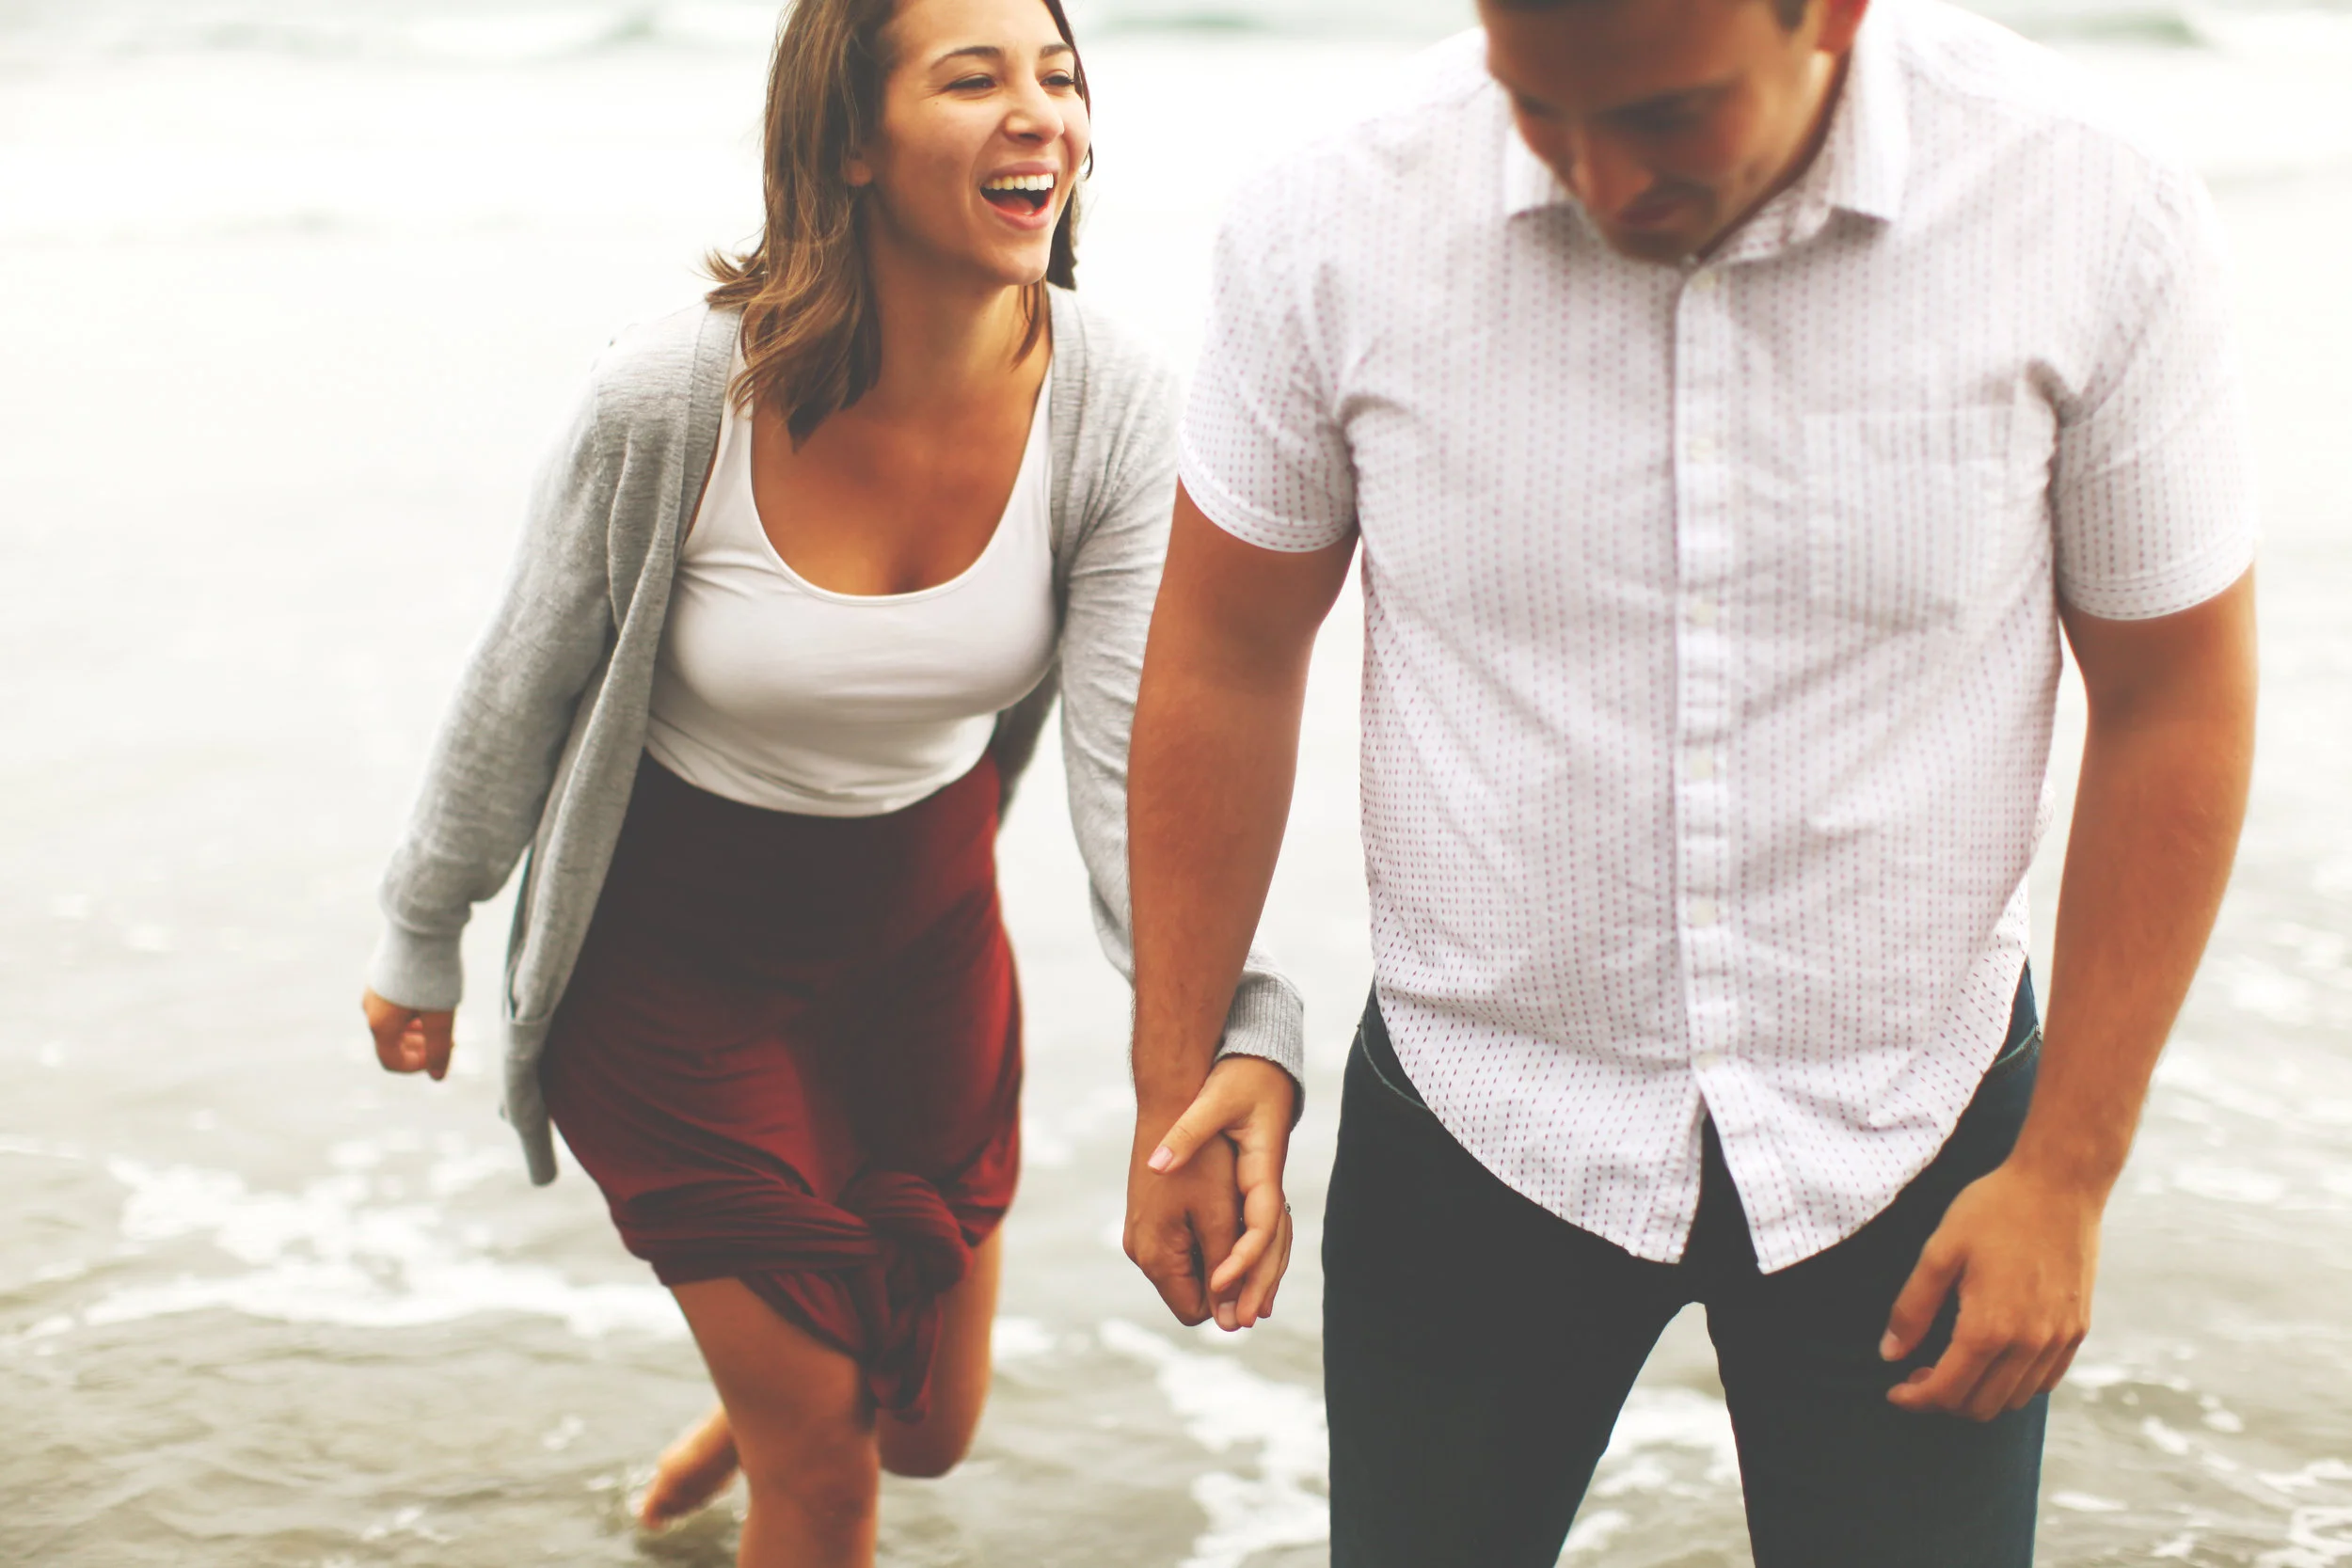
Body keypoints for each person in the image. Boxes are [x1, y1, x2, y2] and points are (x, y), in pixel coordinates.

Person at [1122, 0, 2259, 1561]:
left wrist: (2066, 1170)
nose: (1598, 177)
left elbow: (2173, 692)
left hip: (1909, 1132)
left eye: (1664, 116)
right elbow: (1226, 652)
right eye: (1538, 109)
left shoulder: (2090, 205)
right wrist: (1170, 1079)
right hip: (1484, 1110)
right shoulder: (1333, 212)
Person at [358, 0, 1301, 1561]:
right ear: (849, 141)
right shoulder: (672, 401)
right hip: (671, 961)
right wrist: (423, 922)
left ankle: (790, 1378)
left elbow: (1143, 770)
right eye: (976, 77)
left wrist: (1231, 1035)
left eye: (1061, 78)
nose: (1040, 117)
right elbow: (519, 679)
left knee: (929, 1431)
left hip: (921, 938)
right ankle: (798, 1402)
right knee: (835, 1483)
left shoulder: (1117, 405)